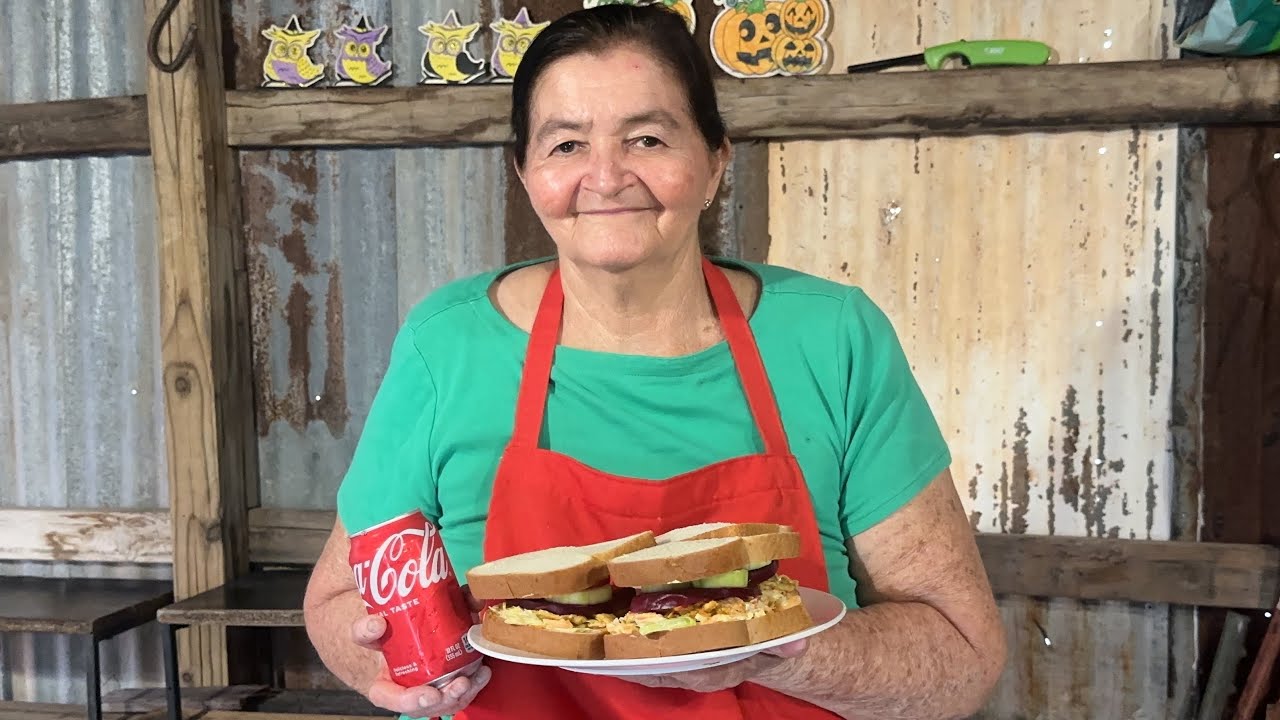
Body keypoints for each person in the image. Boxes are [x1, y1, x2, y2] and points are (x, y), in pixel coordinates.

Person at [302, 4, 1007, 719]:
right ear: (525, 173)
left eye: (646, 138)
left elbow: (960, 657)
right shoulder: (447, 346)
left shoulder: (832, 338)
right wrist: (383, 662)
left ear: (713, 162)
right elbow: (337, 602)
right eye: (566, 145)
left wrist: (785, 651)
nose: (606, 178)